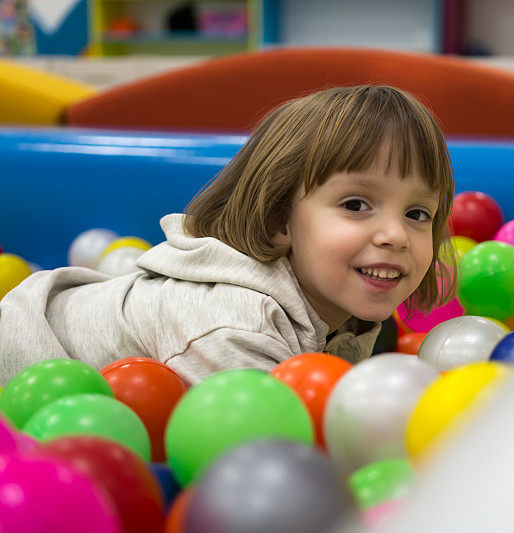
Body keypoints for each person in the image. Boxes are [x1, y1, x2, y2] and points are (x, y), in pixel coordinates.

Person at [0, 85, 455, 385]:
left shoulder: (344, 306)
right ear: (279, 218)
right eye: (356, 205)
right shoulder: (237, 325)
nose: (396, 234)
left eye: (418, 213)